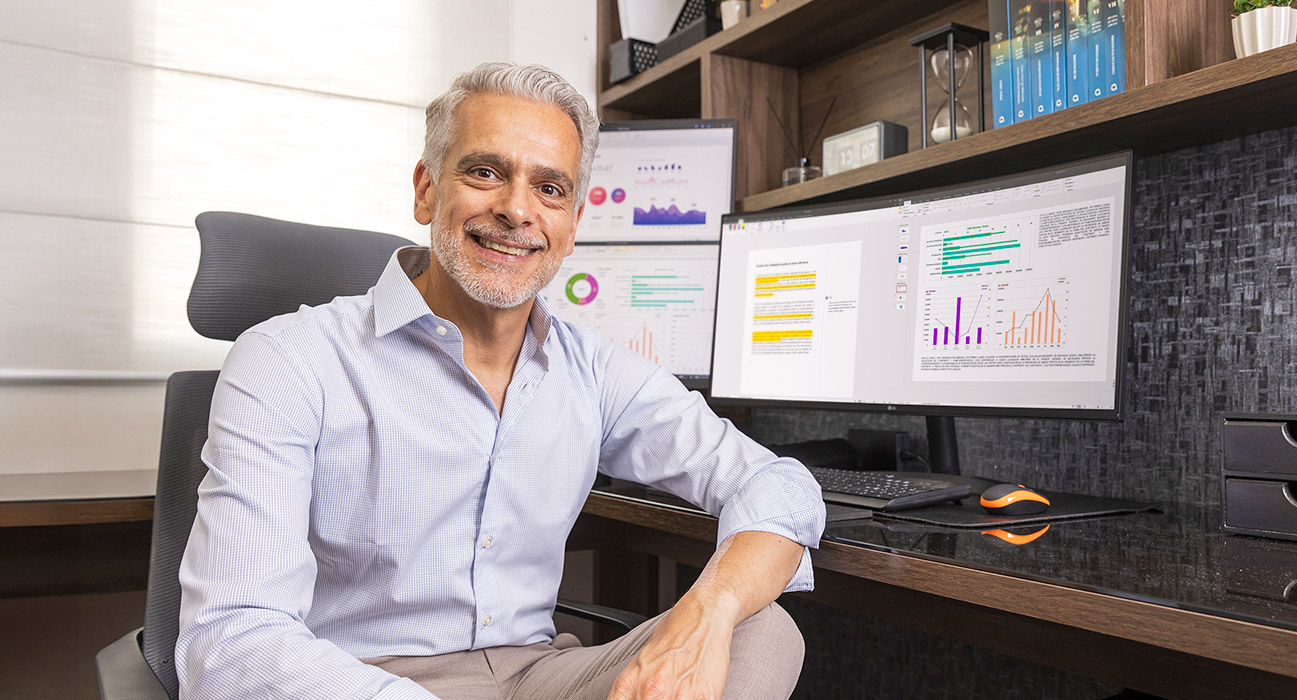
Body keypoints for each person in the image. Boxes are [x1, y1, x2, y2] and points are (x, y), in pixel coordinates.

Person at [175, 62, 825, 700]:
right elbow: (231, 643)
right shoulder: (290, 359)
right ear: (427, 189)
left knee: (762, 630)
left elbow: (774, 482)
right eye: (485, 172)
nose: (517, 209)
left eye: (550, 188)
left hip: (535, 676)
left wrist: (707, 611)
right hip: (353, 679)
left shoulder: (592, 370)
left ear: (573, 224)